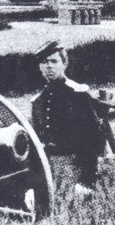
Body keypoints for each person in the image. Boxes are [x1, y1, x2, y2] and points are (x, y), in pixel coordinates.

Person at [31, 41, 104, 198]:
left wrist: (87, 180)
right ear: (39, 67)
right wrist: (32, 186)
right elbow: (36, 145)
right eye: (44, 62)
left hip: (75, 169)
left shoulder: (78, 95)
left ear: (64, 64)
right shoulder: (38, 101)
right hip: (48, 171)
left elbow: (94, 139)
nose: (49, 66)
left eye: (54, 61)